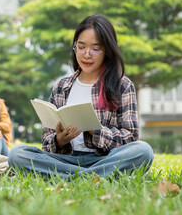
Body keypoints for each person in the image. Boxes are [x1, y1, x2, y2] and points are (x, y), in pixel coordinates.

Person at [8, 14, 154, 179]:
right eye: (81, 46)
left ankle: (71, 178)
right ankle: (92, 177)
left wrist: (94, 130)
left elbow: (131, 139)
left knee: (143, 151)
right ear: (74, 47)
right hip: (65, 160)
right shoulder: (61, 87)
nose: (87, 54)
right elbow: (46, 142)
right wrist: (59, 140)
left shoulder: (122, 85)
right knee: (17, 154)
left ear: (107, 50)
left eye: (95, 48)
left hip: (105, 159)